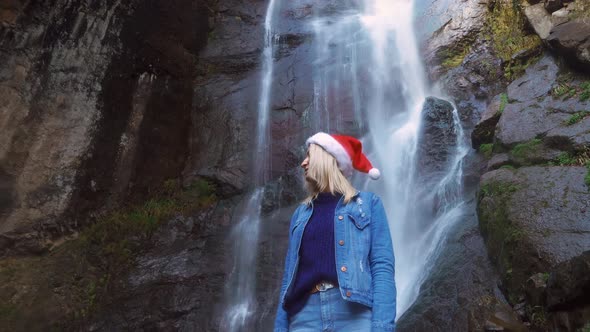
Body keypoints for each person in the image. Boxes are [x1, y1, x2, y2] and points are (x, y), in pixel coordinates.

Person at [274, 132, 397, 332]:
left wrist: (382, 326)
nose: (303, 163)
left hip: (354, 315)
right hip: (304, 317)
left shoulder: (368, 204)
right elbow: (289, 276)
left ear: (328, 158)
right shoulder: (300, 214)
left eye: (309, 155)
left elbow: (382, 267)